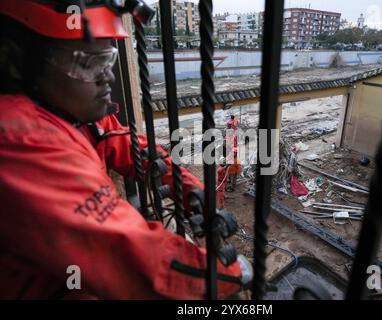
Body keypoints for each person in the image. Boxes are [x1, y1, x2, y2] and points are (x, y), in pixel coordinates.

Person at [0, 0, 251, 299]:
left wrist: (190, 189)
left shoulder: (71, 115)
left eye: (108, 61)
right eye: (88, 64)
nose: (108, 76)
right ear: (16, 61)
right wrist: (224, 274)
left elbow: (133, 148)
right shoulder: (20, 139)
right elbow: (126, 254)